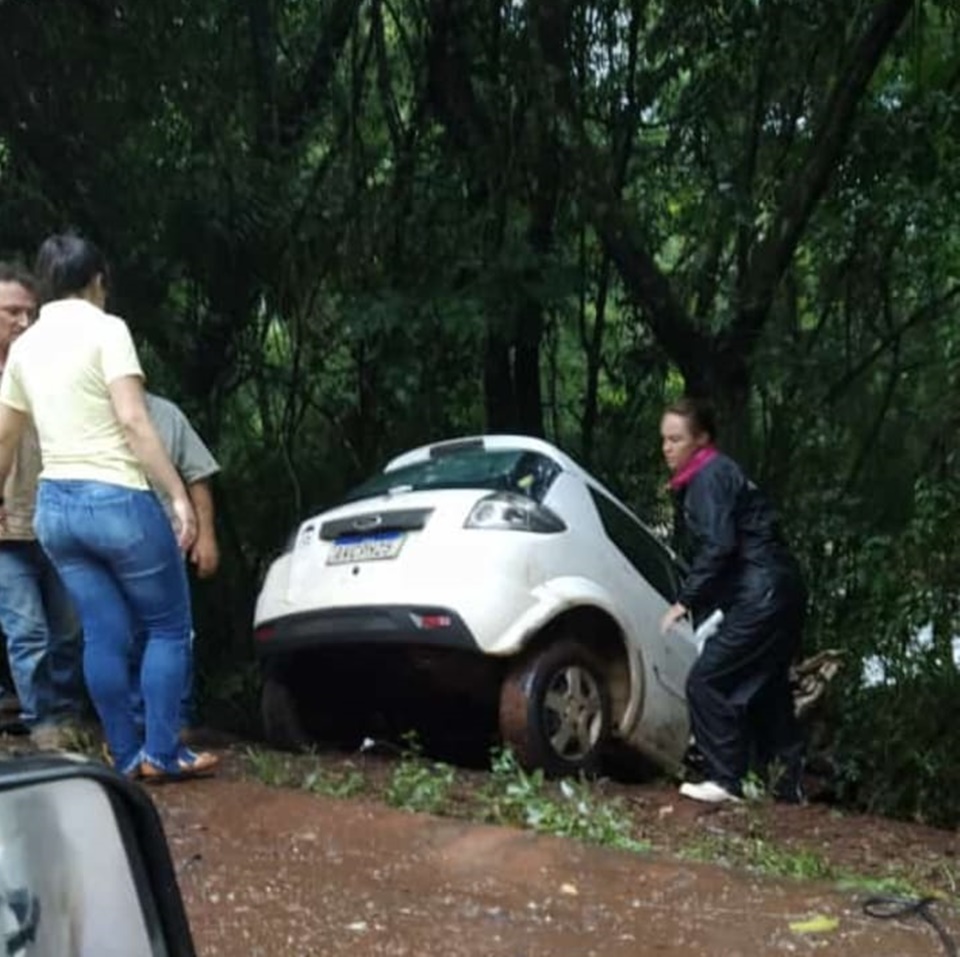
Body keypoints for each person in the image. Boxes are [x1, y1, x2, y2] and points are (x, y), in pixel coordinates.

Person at [0, 233, 218, 780]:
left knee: (103, 634)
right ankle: (164, 753)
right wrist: (174, 493)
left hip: (55, 510)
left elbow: (4, 437)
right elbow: (133, 419)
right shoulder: (107, 329)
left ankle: (125, 756)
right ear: (97, 280)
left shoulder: (25, 346)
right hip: (116, 500)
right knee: (169, 627)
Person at [659, 396, 807, 804]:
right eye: (664, 440)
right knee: (768, 690)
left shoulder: (708, 477)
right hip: (782, 590)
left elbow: (719, 546)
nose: (667, 448)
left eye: (676, 439)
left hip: (762, 593)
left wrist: (684, 601)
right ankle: (788, 789)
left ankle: (724, 780)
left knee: (707, 681)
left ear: (701, 439)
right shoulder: (722, 472)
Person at [0, 263, 85, 746]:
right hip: (5, 529)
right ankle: (44, 723)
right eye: (12, 312)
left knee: (69, 631)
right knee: (27, 632)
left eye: (31, 312)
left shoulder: (53, 370)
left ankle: (69, 717)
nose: (24, 322)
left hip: (60, 518)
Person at [131, 392, 221, 736]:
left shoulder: (166, 413)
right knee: (124, 635)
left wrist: (206, 535)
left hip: (168, 541)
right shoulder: (85, 410)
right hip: (111, 545)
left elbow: (197, 476)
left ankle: (176, 720)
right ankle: (134, 724)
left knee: (175, 633)